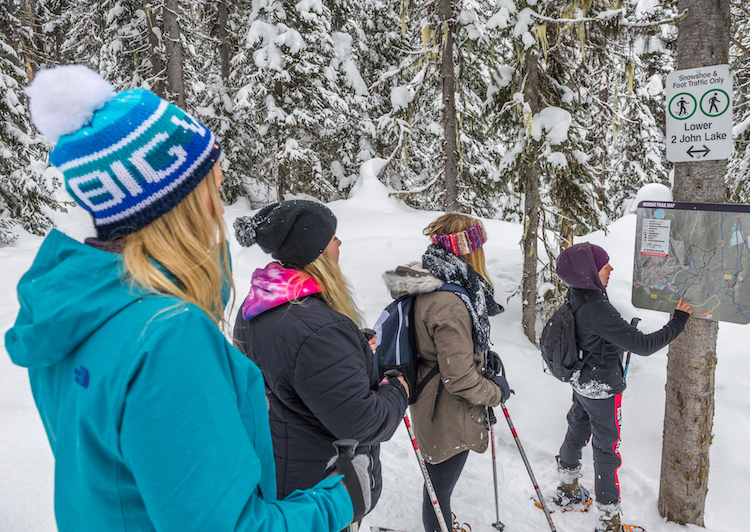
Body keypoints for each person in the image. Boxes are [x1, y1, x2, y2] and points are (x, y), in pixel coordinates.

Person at [5, 65, 367, 532]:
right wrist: (337, 502)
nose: (221, 207)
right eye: (213, 188)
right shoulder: (166, 337)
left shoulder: (71, 313)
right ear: (174, 203)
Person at [232, 200, 409, 512]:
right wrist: (397, 390)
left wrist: (351, 347)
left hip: (277, 471)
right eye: (332, 238)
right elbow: (362, 423)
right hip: (320, 490)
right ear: (314, 252)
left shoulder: (259, 304)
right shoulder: (320, 331)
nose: (339, 242)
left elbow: (290, 365)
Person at [382, 213, 511, 532]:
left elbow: (445, 350)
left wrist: (480, 353)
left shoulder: (436, 283)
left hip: (431, 400)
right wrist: (497, 391)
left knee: (437, 488)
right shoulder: (449, 301)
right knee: (438, 493)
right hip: (446, 412)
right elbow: (460, 379)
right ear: (469, 251)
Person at [551, 242, 692, 532]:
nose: (611, 269)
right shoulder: (596, 308)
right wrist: (678, 321)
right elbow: (643, 345)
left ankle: (567, 489)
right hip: (602, 389)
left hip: (582, 382)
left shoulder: (577, 294)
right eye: (605, 265)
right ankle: (609, 520)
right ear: (588, 271)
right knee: (606, 449)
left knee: (577, 429)